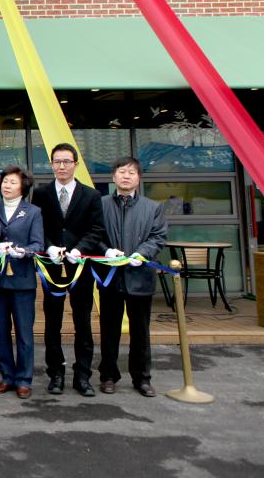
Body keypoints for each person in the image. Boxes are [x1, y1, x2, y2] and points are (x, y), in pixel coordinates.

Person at [31, 142, 106, 397]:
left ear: (75, 164)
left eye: (66, 161)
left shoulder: (91, 195)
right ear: (51, 164)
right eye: (57, 161)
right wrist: (50, 247)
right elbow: (37, 226)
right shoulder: (41, 194)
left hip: (80, 265)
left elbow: (97, 229)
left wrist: (80, 249)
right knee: (52, 321)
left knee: (82, 321)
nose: (61, 166)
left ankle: (83, 375)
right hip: (51, 264)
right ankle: (56, 373)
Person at [98, 157, 167, 397]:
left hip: (140, 278)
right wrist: (105, 249)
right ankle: (108, 375)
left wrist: (143, 252)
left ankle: (142, 378)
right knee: (109, 330)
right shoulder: (101, 204)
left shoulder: (153, 207)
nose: (126, 176)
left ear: (138, 178)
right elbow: (93, 234)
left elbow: (158, 237)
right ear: (113, 176)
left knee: (140, 331)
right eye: (121, 172)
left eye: (131, 172)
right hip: (110, 277)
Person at [0, 166, 44, 399]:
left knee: (24, 333)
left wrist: (22, 251)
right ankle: (7, 376)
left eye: (12, 182)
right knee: (1, 332)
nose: (7, 185)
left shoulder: (33, 212)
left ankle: (24, 379)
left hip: (22, 281)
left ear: (23, 187)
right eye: (5, 181)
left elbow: (38, 245)